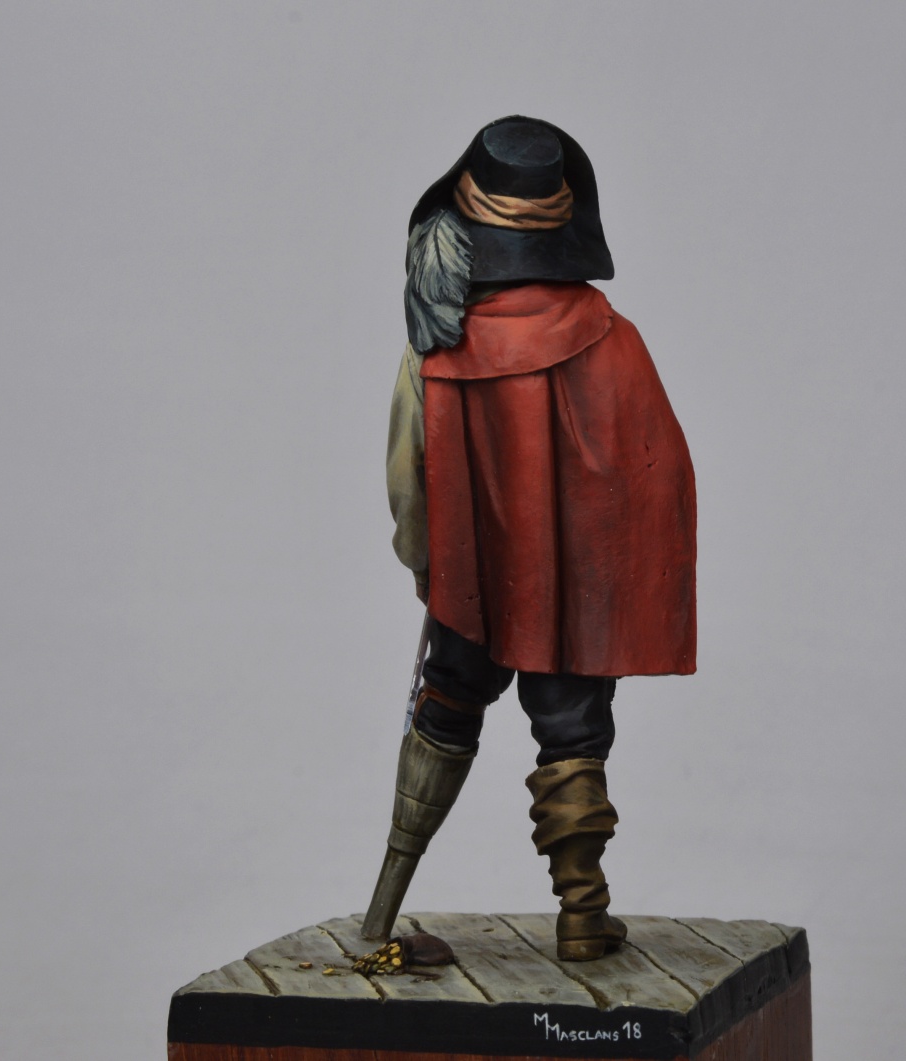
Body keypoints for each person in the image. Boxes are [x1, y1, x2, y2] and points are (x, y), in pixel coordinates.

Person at [362, 117, 696, 961]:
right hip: (572, 601)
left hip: (469, 588)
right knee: (573, 732)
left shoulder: (433, 351)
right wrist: (596, 581)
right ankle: (584, 913)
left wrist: (429, 569)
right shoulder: (615, 339)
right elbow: (651, 471)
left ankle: (382, 906)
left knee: (444, 710)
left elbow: (407, 482)